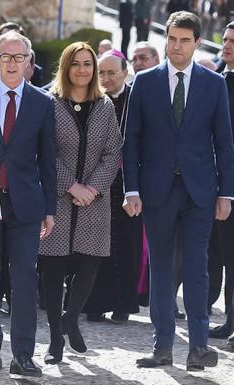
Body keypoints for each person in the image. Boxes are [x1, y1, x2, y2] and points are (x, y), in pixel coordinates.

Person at [123, 12, 234, 371]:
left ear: (198, 42)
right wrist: (131, 189)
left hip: (200, 191)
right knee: (160, 269)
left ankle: (199, 347)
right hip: (156, 190)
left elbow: (224, 142)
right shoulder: (144, 82)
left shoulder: (214, 83)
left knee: (197, 269)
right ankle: (162, 348)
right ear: (165, 39)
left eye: (185, 40)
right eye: (172, 39)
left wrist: (226, 194)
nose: (177, 46)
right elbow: (131, 142)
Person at [0, 31, 56, 379]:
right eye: (4, 56)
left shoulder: (43, 102)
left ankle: (23, 355)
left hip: (26, 205)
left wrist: (50, 208)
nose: (10, 63)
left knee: (24, 279)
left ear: (28, 62)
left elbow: (49, 160)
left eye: (17, 57)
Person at [39, 41, 121, 364]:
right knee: (52, 270)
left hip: (93, 203)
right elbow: (45, 152)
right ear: (65, 67)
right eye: (76, 63)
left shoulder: (105, 106)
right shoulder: (50, 104)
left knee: (88, 265)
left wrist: (92, 188)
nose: (83, 69)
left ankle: (71, 317)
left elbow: (113, 152)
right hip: (58, 199)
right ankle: (55, 340)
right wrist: (71, 185)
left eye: (88, 64)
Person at [83, 49, 141, 323]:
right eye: (101, 73)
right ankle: (94, 302)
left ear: (124, 73)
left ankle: (123, 304)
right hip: (95, 182)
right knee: (94, 244)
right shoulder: (91, 99)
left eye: (111, 73)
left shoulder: (137, 99)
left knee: (126, 244)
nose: (105, 78)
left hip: (128, 184)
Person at [207, 20, 234, 352]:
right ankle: (232, 320)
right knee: (226, 256)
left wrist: (227, 152)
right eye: (224, 40)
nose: (226, 45)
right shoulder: (219, 78)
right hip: (220, 185)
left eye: (233, 40)